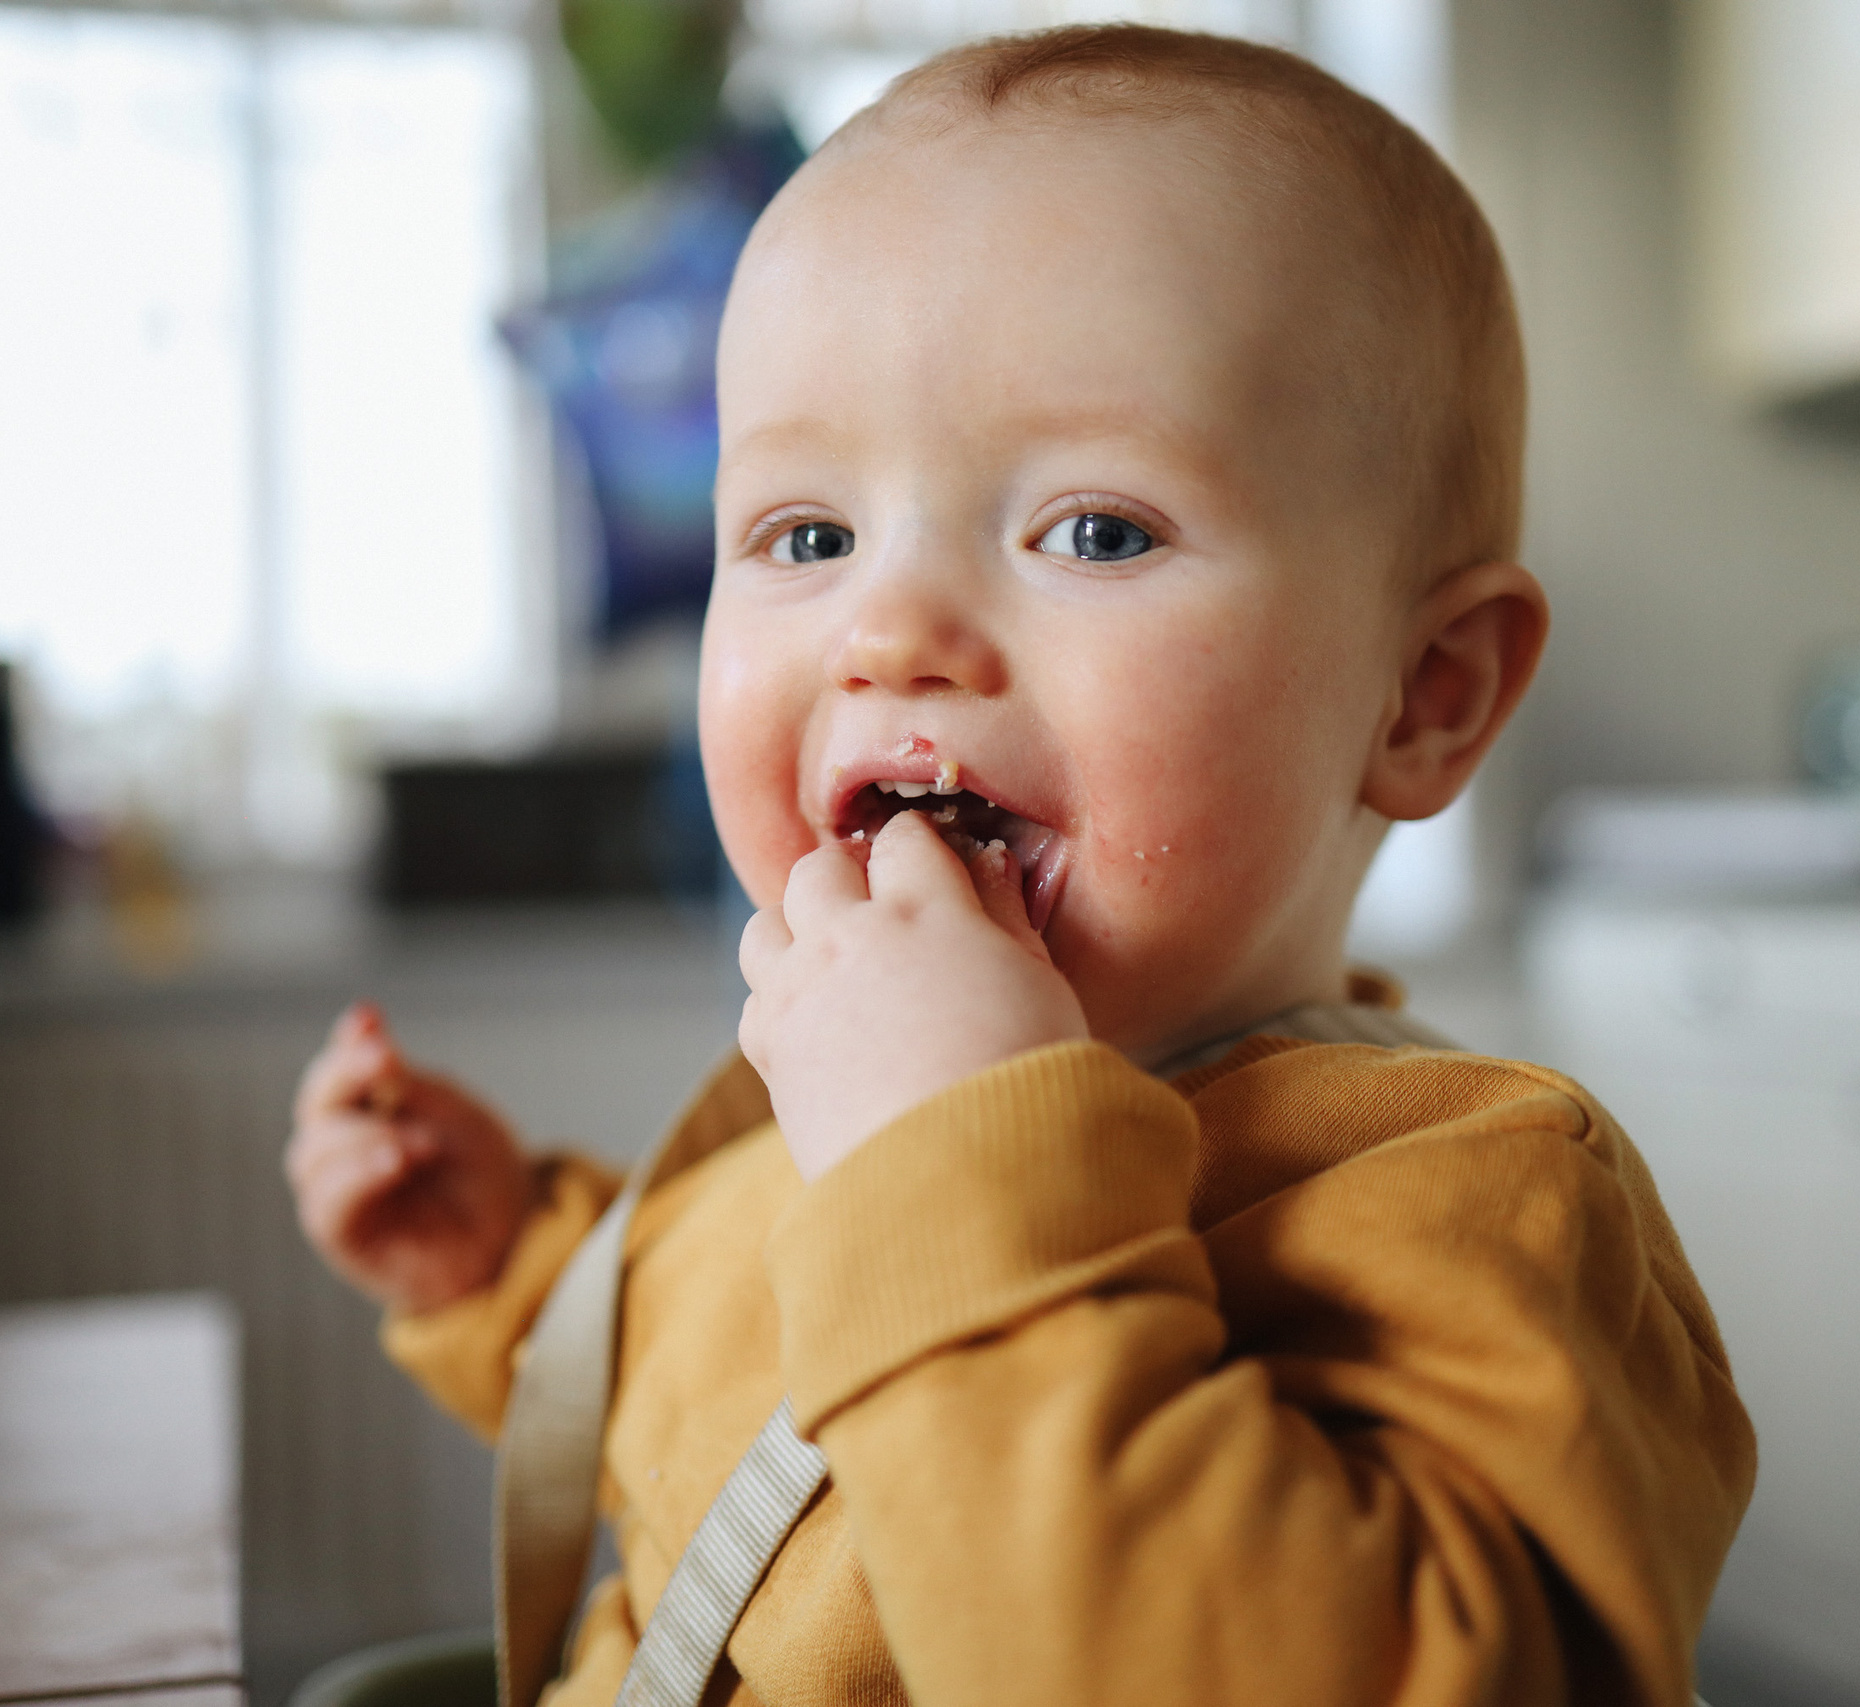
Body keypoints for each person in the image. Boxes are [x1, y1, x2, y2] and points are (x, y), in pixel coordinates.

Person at [286, 24, 1754, 1706]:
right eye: (808, 536)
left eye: (1097, 531)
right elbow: (720, 1415)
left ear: (1424, 697)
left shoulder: (1480, 1209)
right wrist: (514, 1273)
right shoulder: (818, 1126)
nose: (887, 628)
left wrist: (947, 1162)